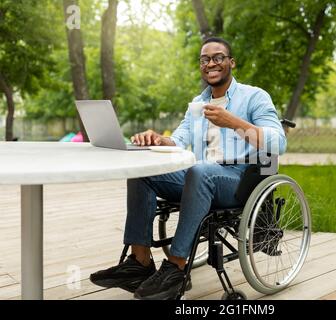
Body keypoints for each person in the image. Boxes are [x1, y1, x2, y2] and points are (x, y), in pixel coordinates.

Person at [89, 37, 287, 300]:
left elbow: (279, 142)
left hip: (239, 179)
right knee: (141, 170)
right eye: (205, 59)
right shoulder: (198, 103)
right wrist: (159, 139)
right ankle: (140, 263)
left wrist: (234, 122)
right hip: (200, 177)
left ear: (231, 62)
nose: (211, 64)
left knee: (200, 171)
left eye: (218, 57)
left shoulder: (254, 97)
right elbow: (179, 139)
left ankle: (177, 268)